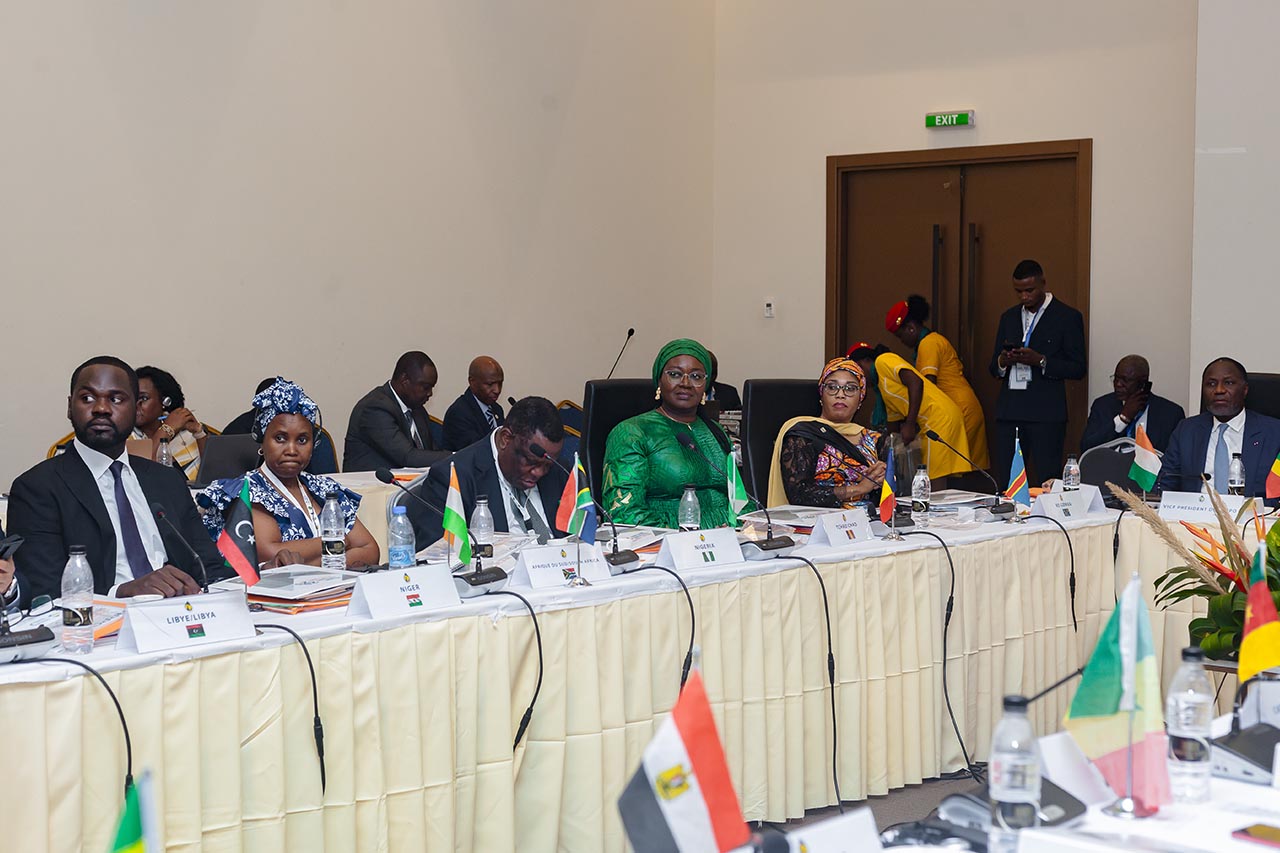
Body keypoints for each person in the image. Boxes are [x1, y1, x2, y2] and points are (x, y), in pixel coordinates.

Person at [8, 356, 227, 604]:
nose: (101, 408)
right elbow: (44, 593)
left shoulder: (166, 480)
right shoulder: (37, 488)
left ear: (135, 409)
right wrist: (121, 592)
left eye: (116, 399)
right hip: (101, 621)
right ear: (70, 407)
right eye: (87, 398)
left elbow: (209, 567)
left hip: (181, 612)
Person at [202, 379, 379, 567]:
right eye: (280, 438)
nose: (292, 450)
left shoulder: (323, 488)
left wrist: (313, 567)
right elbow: (271, 554)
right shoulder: (248, 490)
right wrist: (339, 542)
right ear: (262, 441)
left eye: (302, 440)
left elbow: (370, 550)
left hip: (328, 584)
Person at [603, 339, 743, 529]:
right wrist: (682, 539)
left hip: (730, 537)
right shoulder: (632, 432)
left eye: (696, 376)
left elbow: (740, 499)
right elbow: (624, 513)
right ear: (659, 380)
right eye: (675, 374)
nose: (685, 383)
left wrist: (746, 530)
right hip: (667, 539)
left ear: (705, 385)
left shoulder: (715, 431)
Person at [409, 396, 569, 547]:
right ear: (505, 439)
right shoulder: (453, 478)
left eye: (546, 465)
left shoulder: (559, 471)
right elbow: (437, 553)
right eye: (530, 462)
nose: (539, 473)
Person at [988, 259, 1087, 488]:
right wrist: (1004, 361)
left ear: (1043, 283)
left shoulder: (1067, 317)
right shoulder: (1008, 317)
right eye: (1018, 291)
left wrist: (1041, 360)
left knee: (1047, 479)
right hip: (1010, 411)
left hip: (1046, 413)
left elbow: (1078, 368)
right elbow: (993, 366)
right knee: (1008, 482)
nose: (1024, 296)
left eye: (1030, 290)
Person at [767, 357, 886, 508]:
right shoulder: (803, 434)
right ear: (822, 395)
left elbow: (893, 493)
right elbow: (799, 494)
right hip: (817, 520)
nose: (840, 394)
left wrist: (887, 477)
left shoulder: (875, 439)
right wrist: (858, 489)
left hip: (871, 519)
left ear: (860, 399)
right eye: (832, 387)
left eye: (850, 388)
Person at [886, 295, 990, 468]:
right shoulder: (932, 341)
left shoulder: (929, 344)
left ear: (911, 328)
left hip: (960, 409)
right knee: (964, 467)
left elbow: (928, 385)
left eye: (900, 336)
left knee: (957, 468)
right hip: (963, 406)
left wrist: (911, 422)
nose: (902, 341)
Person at [847, 342, 973, 480]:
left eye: (857, 370)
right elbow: (893, 425)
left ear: (866, 360)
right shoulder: (883, 388)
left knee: (932, 479)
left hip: (938, 419)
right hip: (933, 422)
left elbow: (915, 382)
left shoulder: (883, 361)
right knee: (936, 477)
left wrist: (910, 424)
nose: (859, 378)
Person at [1157, 357, 1280, 496]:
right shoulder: (1186, 430)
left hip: (1252, 510)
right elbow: (1165, 483)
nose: (1219, 390)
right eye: (1211, 384)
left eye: (1228, 383)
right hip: (1196, 509)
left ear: (1245, 389)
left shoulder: (1274, 433)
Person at [344, 351, 449, 471]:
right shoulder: (375, 408)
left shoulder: (417, 410)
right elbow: (407, 457)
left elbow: (431, 453)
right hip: (370, 482)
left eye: (432, 387)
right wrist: (454, 457)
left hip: (409, 481)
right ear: (405, 381)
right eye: (425, 387)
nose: (430, 393)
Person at [1080, 355, 1186, 453]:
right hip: (1110, 466)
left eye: (1125, 380)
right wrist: (1122, 419)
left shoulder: (1171, 413)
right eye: (1116, 378)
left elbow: (1175, 456)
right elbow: (1086, 448)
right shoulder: (1102, 406)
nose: (1118, 384)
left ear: (1143, 383)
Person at [134, 365, 210, 481]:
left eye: (143, 398)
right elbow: (141, 472)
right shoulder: (123, 436)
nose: (135, 405)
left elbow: (216, 476)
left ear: (165, 402)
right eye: (132, 398)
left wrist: (199, 433)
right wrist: (167, 429)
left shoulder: (186, 436)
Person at [442, 356, 506, 451]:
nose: (497, 390)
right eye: (490, 384)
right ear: (472, 381)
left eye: (500, 383)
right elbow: (476, 451)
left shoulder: (497, 409)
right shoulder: (459, 413)